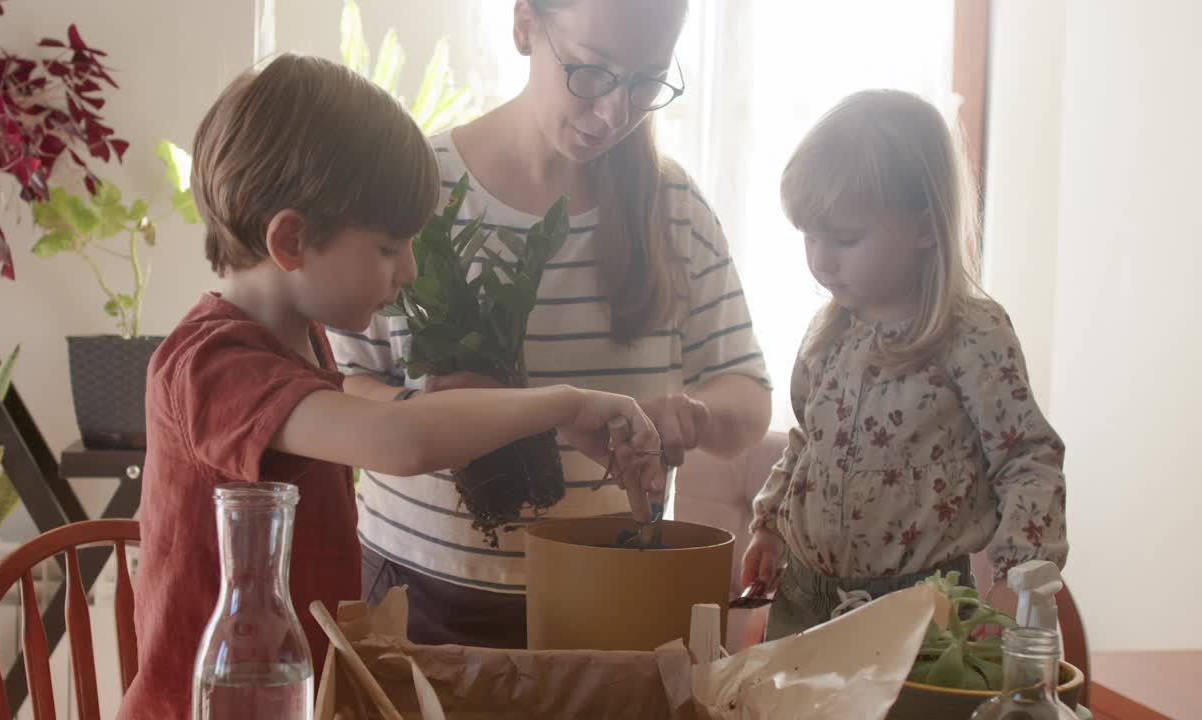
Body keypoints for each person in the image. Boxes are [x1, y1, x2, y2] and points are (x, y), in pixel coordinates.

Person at [117, 53, 662, 719]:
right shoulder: (211, 363)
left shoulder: (297, 338)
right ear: (290, 240)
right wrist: (567, 403)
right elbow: (397, 442)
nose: (406, 269)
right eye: (386, 248)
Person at [332, 0, 772, 648]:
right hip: (420, 599)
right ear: (523, 25)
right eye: (592, 71)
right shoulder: (414, 191)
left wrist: (695, 416)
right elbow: (343, 383)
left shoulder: (673, 208)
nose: (616, 112)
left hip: (616, 605)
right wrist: (433, 411)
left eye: (648, 81)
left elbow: (748, 399)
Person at [741, 89, 1069, 641]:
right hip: (804, 600)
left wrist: (1018, 579)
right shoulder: (829, 333)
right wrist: (769, 524)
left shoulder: (972, 336)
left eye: (845, 238)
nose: (821, 261)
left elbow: (1028, 460)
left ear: (923, 227)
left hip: (924, 613)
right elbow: (807, 442)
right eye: (810, 238)